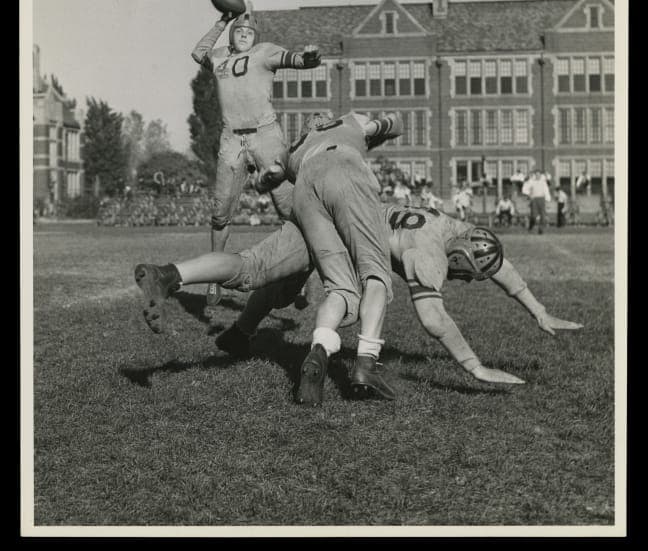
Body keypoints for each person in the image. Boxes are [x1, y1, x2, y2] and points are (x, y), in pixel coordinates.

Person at [134, 203, 583, 397]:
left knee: (267, 279)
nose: (466, 281)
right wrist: (475, 366)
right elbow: (434, 319)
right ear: (457, 259)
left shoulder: (451, 227)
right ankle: (349, 356)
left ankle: (221, 317)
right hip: (345, 243)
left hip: (325, 213)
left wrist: (538, 310)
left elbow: (495, 261)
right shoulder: (429, 256)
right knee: (360, 298)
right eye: (467, 274)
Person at [255, 110, 404, 405]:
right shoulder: (348, 121)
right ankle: (366, 364)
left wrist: (267, 175)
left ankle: (320, 348)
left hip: (304, 189)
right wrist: (374, 128)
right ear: (327, 120)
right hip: (343, 168)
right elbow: (396, 123)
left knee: (340, 289)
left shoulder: (293, 148)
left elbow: (265, 180)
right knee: (375, 273)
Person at [191, 0, 321, 308]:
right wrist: (222, 21)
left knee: (290, 209)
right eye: (239, 30)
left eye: (249, 31)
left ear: (256, 36)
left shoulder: (264, 52)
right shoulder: (220, 57)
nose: (244, 34)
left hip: (265, 136)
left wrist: (311, 57)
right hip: (232, 138)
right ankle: (214, 277)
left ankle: (301, 277)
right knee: (220, 214)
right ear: (232, 34)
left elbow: (299, 61)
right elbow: (198, 52)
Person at [522, 170, 552, 234]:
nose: (537, 176)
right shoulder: (531, 181)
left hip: (542, 199)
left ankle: (541, 229)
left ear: (541, 175)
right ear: (535, 175)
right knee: (534, 216)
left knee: (543, 216)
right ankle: (530, 227)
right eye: (536, 175)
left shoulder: (543, 182)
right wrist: (529, 194)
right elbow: (524, 189)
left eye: (539, 175)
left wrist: (548, 199)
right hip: (534, 199)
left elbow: (546, 191)